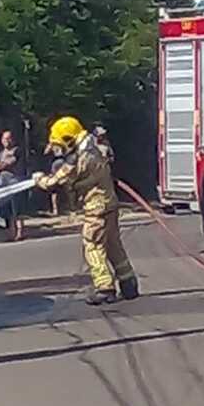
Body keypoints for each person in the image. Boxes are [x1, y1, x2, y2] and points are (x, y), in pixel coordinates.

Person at [33, 116, 138, 305]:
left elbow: (55, 182)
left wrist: (39, 179)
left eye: (60, 145)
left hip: (95, 209)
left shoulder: (79, 160)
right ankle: (128, 283)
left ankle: (104, 288)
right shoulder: (94, 149)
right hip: (110, 204)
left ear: (69, 140)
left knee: (93, 246)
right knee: (113, 245)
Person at [0, 129, 25, 241]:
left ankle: (20, 232)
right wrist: (0, 165)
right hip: (3, 184)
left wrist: (1, 165)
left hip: (14, 182)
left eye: (8, 138)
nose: (6, 141)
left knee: (17, 209)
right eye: (4, 138)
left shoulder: (17, 150)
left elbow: (7, 164)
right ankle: (9, 234)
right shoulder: (1, 153)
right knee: (5, 209)